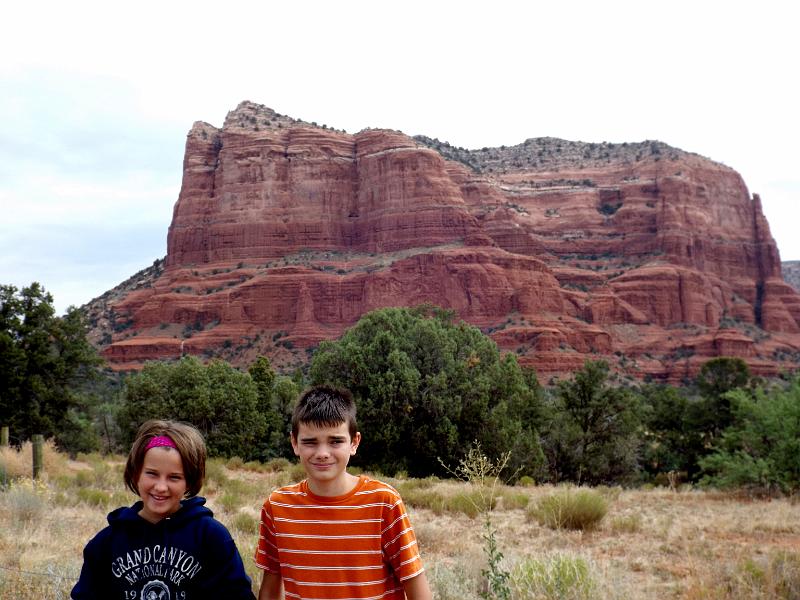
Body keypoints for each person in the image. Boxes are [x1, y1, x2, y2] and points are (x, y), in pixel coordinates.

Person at [255, 385, 432, 600]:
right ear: (294, 443)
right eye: (310, 442)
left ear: (354, 442)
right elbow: (270, 589)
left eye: (335, 441)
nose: (322, 453)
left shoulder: (384, 503)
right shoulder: (277, 507)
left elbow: (416, 587)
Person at [72, 419, 256, 599]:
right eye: (152, 473)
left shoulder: (211, 537)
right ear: (136, 474)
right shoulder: (107, 543)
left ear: (189, 481)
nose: (161, 487)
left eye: (174, 477)